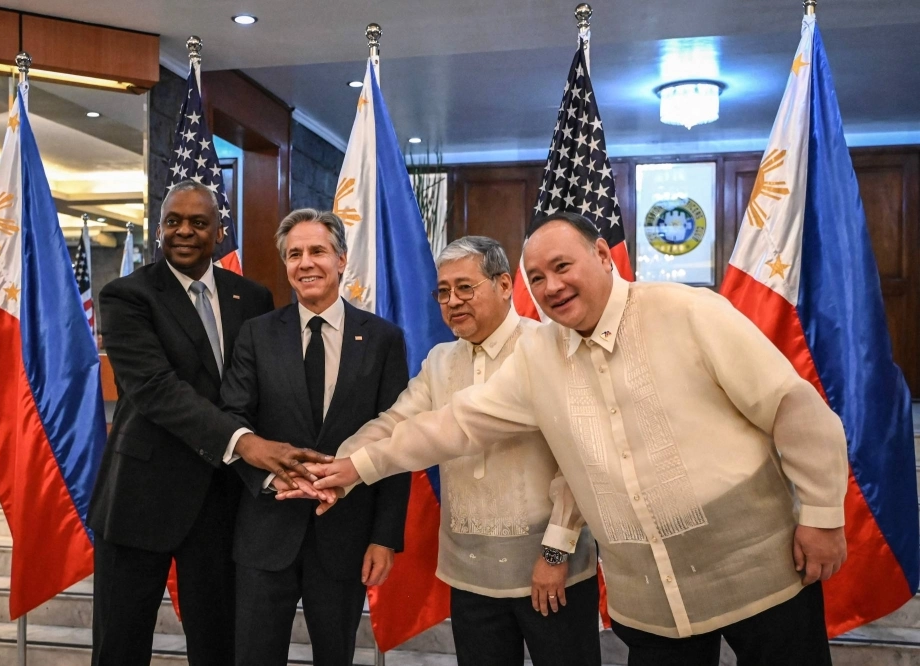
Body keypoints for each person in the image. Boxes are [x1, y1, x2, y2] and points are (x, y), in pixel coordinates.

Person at [310, 211, 849, 666]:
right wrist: (359, 466)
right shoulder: (538, 357)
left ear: (602, 255)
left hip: (759, 567)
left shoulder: (687, 311)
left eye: (562, 267)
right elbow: (457, 423)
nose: (551, 287)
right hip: (650, 597)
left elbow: (793, 408)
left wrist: (823, 513)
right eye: (538, 278)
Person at [281, 235, 602, 665]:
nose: (452, 301)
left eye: (465, 288)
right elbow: (396, 423)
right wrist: (335, 468)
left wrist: (555, 552)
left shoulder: (548, 348)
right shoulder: (440, 360)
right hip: (469, 574)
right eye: (443, 291)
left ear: (505, 285)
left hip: (548, 571)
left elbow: (576, 460)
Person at [89, 181, 328, 666]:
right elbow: (156, 388)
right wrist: (245, 443)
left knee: (218, 646)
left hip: (221, 504)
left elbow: (268, 390)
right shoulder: (126, 296)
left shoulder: (254, 298)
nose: (184, 231)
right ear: (159, 231)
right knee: (119, 646)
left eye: (199, 223)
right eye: (174, 221)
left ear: (219, 233)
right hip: (141, 498)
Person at [219, 208, 411, 666]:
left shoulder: (383, 339)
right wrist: (271, 479)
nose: (305, 263)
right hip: (266, 532)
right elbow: (233, 418)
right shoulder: (257, 334)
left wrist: (385, 536)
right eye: (294, 254)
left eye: (317, 251)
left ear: (341, 260)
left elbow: (398, 440)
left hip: (345, 536)